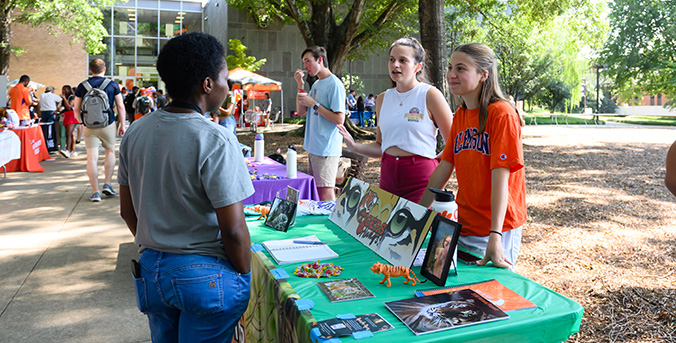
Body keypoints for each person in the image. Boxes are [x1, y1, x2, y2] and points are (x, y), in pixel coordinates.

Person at [118, 32, 254, 343]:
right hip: (205, 279)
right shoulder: (216, 138)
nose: (227, 86)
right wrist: (244, 275)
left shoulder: (136, 132)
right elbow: (233, 230)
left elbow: (128, 212)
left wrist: (159, 245)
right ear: (208, 84)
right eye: (224, 78)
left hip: (152, 272)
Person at [419, 43, 526, 269]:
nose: (451, 74)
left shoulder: (502, 114)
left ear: (483, 75)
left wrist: (495, 235)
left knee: (490, 294)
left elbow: (501, 178)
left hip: (496, 227)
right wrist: (418, 216)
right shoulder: (460, 115)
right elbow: (444, 167)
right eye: (450, 67)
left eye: (460, 68)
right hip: (464, 223)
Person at [337, 37, 453, 203]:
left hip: (421, 181)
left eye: (403, 60)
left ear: (417, 67)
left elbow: (454, 143)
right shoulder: (383, 99)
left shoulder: (430, 95)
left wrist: (434, 164)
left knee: (416, 228)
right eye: (392, 60)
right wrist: (355, 146)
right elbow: (380, 146)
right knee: (387, 227)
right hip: (388, 179)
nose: (395, 65)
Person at [294, 45, 346, 201]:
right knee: (317, 191)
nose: (305, 67)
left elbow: (339, 119)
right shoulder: (316, 84)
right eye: (303, 63)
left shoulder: (334, 84)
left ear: (320, 60)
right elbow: (301, 111)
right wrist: (300, 86)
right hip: (314, 147)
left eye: (308, 61)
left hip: (326, 149)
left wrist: (314, 104)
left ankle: (329, 225)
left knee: (325, 192)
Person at [73, 58, 126, 202]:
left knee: (92, 158)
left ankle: (95, 192)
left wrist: (81, 122)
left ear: (90, 70)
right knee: (110, 151)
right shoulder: (112, 84)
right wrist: (122, 124)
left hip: (89, 126)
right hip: (107, 124)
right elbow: (120, 106)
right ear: (104, 69)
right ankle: (107, 183)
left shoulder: (82, 86)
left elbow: (76, 108)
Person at [59, 85, 78, 158]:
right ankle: (72, 151)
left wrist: (64, 98)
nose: (63, 91)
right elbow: (65, 108)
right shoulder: (67, 97)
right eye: (62, 89)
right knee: (71, 133)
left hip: (71, 115)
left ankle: (67, 150)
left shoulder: (71, 97)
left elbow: (69, 106)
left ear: (69, 90)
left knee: (68, 133)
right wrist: (59, 112)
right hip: (67, 115)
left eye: (65, 89)